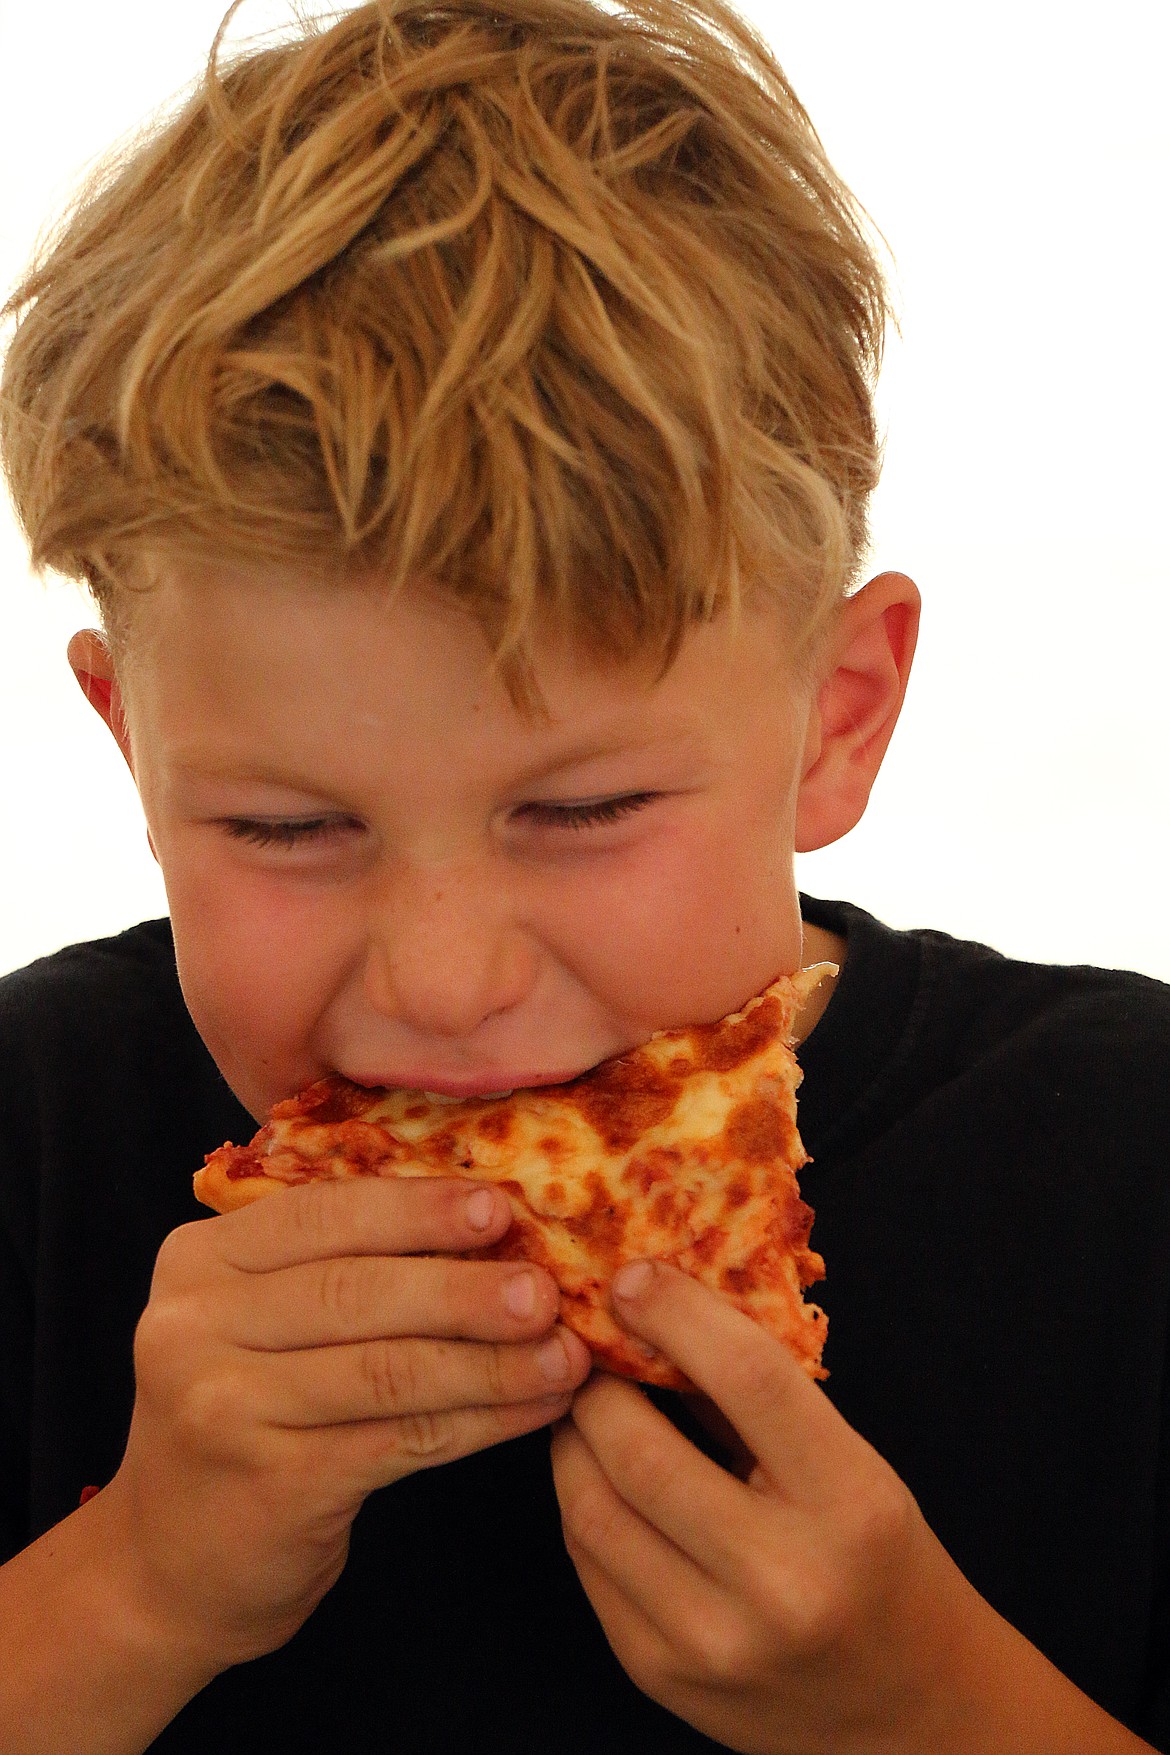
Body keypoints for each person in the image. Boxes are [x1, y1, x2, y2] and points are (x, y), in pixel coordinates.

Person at [1, 0, 1167, 1750]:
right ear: (130, 751)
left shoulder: (1128, 1163)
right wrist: (135, 1590)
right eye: (285, 831)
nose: (445, 980)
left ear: (836, 722)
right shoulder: (33, 1138)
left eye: (584, 809)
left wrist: (929, 1707)